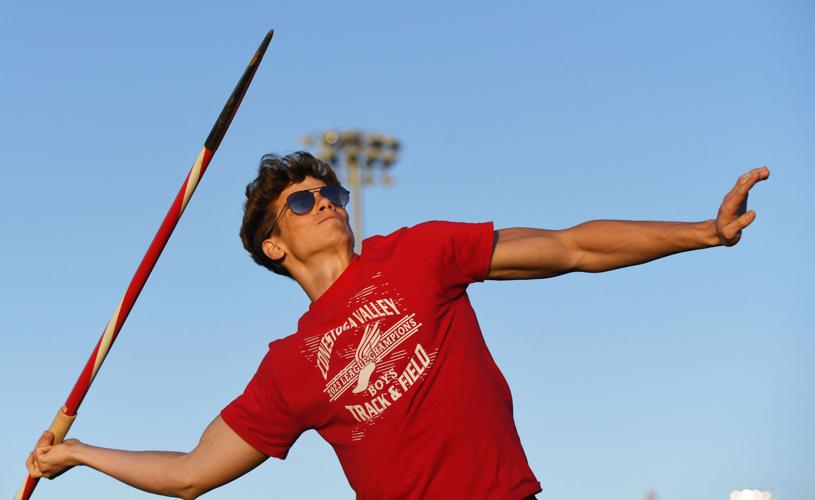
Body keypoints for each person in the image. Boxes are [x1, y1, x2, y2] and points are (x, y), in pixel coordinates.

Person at [26, 152, 770, 499]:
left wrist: (702, 232)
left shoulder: (416, 253)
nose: (325, 200)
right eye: (299, 200)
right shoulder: (288, 368)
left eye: (330, 189)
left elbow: (571, 246)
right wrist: (81, 453)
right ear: (271, 246)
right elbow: (191, 474)